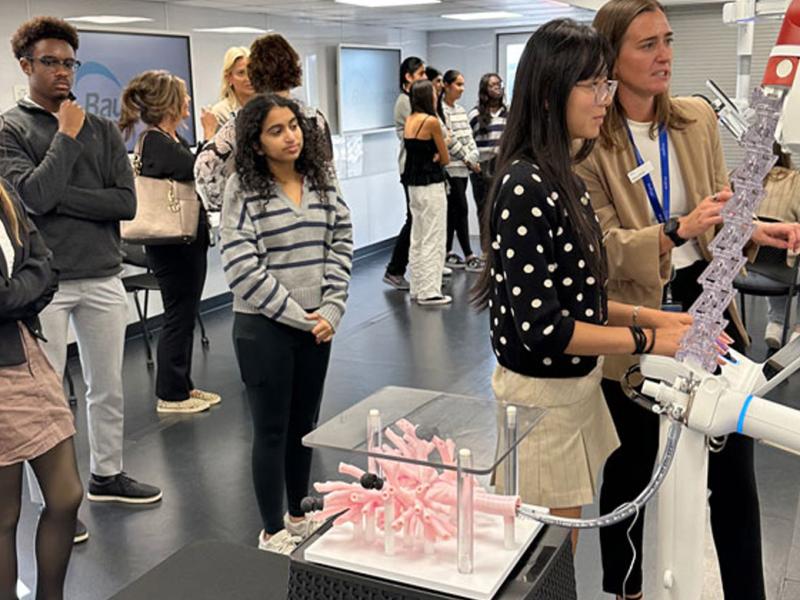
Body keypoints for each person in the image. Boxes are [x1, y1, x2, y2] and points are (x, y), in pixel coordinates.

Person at [575, 1, 800, 597]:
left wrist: (755, 229)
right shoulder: (591, 141)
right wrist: (674, 228)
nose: (665, 55)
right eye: (647, 44)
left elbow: (717, 209)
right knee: (630, 471)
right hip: (636, 318)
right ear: (611, 58)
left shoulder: (695, 120)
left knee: (733, 471)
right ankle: (626, 590)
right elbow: (603, 249)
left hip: (707, 306)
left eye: (667, 40)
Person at [472, 17, 699, 553]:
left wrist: (657, 319)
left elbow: (586, 299)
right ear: (551, 91)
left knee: (559, 552)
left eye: (607, 84)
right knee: (545, 564)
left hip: (571, 394)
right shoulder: (524, 184)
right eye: (592, 85)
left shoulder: (565, 177)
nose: (605, 99)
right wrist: (647, 342)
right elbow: (545, 328)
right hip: (540, 404)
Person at [0, 17, 162, 527]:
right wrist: (65, 140)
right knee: (43, 404)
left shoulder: (102, 128)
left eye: (70, 63)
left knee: (107, 385)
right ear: (26, 66)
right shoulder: (10, 129)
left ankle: (107, 475)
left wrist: (57, 199)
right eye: (50, 62)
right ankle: (54, 505)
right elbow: (28, 200)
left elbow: (126, 202)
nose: (63, 72)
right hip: (42, 289)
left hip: (102, 274)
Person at [221, 94, 352, 554]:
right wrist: (300, 317)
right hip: (264, 329)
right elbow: (241, 266)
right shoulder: (242, 188)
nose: (290, 136)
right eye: (276, 130)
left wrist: (332, 309)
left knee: (305, 424)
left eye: (293, 125)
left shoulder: (321, 178)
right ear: (256, 143)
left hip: (318, 325)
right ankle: (271, 528)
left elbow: (340, 241)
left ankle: (299, 515)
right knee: (271, 429)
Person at [0, 177, 83, 600]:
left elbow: (45, 262)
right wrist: (25, 288)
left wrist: (20, 292)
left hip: (24, 351)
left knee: (66, 494)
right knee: (4, 516)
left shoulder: (3, 190)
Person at [119, 70, 220, 414]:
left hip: (186, 243)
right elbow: (199, 171)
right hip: (172, 247)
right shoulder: (157, 141)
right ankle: (171, 394)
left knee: (186, 314)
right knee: (178, 316)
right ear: (169, 103)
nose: (189, 101)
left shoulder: (167, 137)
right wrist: (210, 136)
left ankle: (184, 386)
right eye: (183, 95)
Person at [195, 32, 332, 215]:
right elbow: (329, 174)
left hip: (264, 215)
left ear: (255, 74)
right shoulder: (314, 118)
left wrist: (228, 205)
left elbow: (205, 167)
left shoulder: (245, 120)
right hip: (312, 213)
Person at [403, 80, 450, 306]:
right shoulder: (431, 121)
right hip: (431, 184)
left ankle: (417, 286)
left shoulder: (409, 120)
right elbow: (446, 156)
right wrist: (439, 154)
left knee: (418, 236)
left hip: (413, 185)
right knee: (434, 235)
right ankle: (430, 291)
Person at [748, 143, 800, 348]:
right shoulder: (796, 182)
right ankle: (796, 330)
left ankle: (776, 324)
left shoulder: (739, 180)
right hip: (781, 277)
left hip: (739, 275)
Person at [382, 56, 427, 291]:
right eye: (420, 75)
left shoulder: (414, 100)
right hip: (411, 168)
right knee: (413, 219)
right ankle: (395, 269)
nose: (425, 79)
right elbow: (422, 132)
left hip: (420, 168)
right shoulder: (405, 102)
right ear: (408, 78)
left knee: (419, 219)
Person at [439, 69, 482, 272]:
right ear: (446, 86)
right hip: (451, 168)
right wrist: (466, 158)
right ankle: (468, 254)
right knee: (461, 210)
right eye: (458, 84)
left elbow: (469, 138)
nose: (462, 89)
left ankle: (447, 252)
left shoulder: (461, 111)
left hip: (465, 169)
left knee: (454, 211)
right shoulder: (440, 111)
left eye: (463, 84)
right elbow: (449, 140)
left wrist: (473, 158)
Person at [468, 73, 508, 246]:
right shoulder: (475, 114)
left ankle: (501, 247)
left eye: (499, 84)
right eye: (492, 85)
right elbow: (468, 141)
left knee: (502, 207)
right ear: (485, 89)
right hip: (481, 167)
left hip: (502, 164)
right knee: (484, 209)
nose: (497, 87)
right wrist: (473, 162)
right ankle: (486, 249)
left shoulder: (509, 113)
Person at [207, 46, 254, 129]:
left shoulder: (268, 106)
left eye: (252, 72)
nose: (248, 78)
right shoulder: (220, 113)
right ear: (229, 77)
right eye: (241, 73)